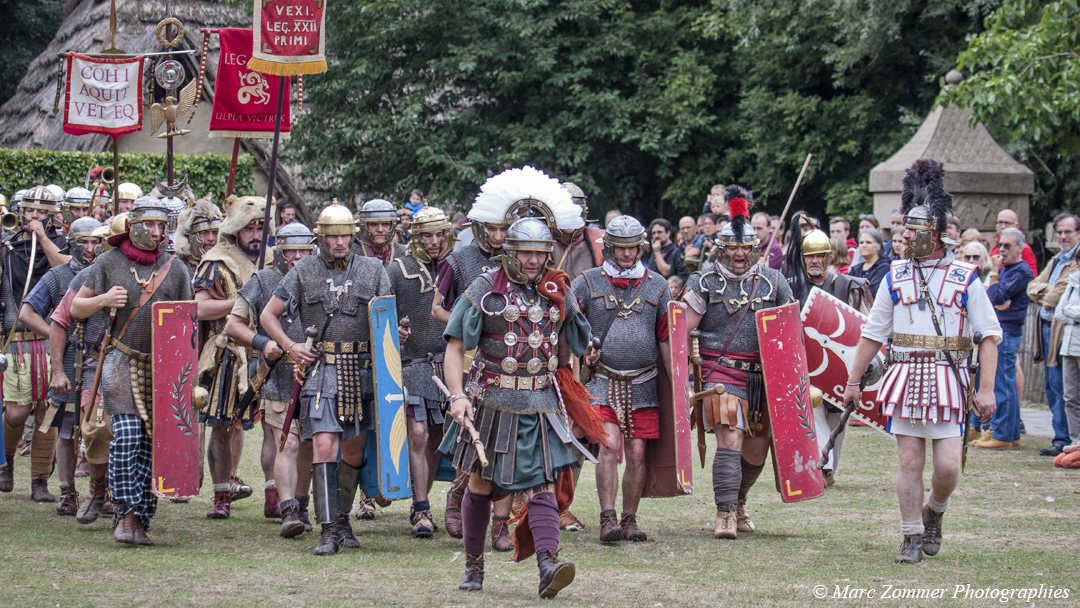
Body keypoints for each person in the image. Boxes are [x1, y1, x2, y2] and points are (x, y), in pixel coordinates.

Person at [437, 167, 594, 596]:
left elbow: (576, 343)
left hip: (540, 399)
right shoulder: (487, 287)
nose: (533, 260)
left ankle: (548, 564)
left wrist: (566, 303)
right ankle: (473, 566)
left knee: (543, 481)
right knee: (483, 483)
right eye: (525, 252)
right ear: (508, 249)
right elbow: (453, 347)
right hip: (489, 399)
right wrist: (456, 396)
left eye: (540, 253)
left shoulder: (555, 287)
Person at [842, 159, 1000, 564]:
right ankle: (911, 535)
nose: (905, 237)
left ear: (935, 235)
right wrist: (854, 380)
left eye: (912, 231)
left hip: (949, 376)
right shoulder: (895, 275)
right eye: (904, 230)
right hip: (906, 375)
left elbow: (988, 336)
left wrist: (985, 389)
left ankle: (935, 511)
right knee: (909, 460)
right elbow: (873, 334)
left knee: (948, 467)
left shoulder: (966, 278)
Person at [260, 200, 392, 556]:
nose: (339, 243)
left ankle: (344, 518)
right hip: (322, 372)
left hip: (362, 371)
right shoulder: (302, 270)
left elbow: (387, 318)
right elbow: (268, 315)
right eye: (333, 236)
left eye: (345, 235)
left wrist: (398, 333)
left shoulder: (374, 269)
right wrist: (290, 346)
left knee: (352, 452)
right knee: (323, 446)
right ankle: (327, 528)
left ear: (353, 235)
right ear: (321, 237)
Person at [72, 196, 194, 545]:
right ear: (134, 225)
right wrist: (103, 301)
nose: (157, 233)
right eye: (150, 225)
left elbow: (187, 322)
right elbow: (77, 307)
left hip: (162, 367)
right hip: (120, 362)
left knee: (150, 444)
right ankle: (123, 513)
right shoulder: (108, 262)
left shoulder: (176, 268)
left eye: (162, 226)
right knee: (125, 436)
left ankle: (142, 517)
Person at [683, 185, 792, 539]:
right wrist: (686, 375)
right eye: (733, 247)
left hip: (762, 378)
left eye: (746, 247)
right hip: (720, 374)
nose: (740, 253)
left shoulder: (774, 282)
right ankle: (724, 513)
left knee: (756, 452)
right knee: (730, 437)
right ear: (722, 248)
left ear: (755, 249)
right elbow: (682, 331)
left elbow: (792, 330)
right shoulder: (703, 282)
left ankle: (739, 500)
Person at [572, 215, 671, 543]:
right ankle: (607, 518)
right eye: (620, 248)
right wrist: (584, 352)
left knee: (638, 452)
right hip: (603, 379)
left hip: (644, 382)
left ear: (640, 247)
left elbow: (665, 337)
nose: (627, 255)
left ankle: (630, 519)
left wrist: (677, 384)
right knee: (609, 447)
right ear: (610, 247)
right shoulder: (587, 282)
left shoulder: (657, 284)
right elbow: (571, 328)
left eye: (632, 248)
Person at [432, 180, 513, 546]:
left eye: (504, 229)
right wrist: (468, 328)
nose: (498, 236)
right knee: (468, 433)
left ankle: (502, 520)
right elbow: (436, 308)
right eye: (492, 229)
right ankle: (456, 496)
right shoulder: (458, 261)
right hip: (466, 359)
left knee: (506, 440)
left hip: (506, 362)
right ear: (480, 228)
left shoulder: (519, 262)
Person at [225, 222, 317, 537]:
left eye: (303, 249)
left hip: (317, 376)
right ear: (279, 251)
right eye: (290, 250)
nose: (297, 256)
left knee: (307, 446)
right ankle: (287, 508)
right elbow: (233, 325)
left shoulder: (319, 278)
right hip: (279, 375)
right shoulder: (262, 281)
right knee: (287, 442)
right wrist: (264, 343)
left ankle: (302, 505)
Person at [20, 217, 103, 515]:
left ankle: (99, 492)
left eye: (95, 242)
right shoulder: (57, 277)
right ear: (71, 243)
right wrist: (58, 334)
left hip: (101, 362)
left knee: (99, 430)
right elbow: (27, 312)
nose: (90, 249)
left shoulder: (108, 273)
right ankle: (68, 493)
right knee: (66, 431)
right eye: (83, 242)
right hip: (69, 362)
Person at [194, 195, 267, 519]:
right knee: (223, 426)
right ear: (236, 229)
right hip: (227, 353)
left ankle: (275, 495)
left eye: (261, 227)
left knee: (275, 429)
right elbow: (200, 308)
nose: (255, 234)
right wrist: (240, 303)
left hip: (267, 351)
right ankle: (221, 494)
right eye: (249, 227)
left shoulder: (270, 261)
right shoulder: (216, 261)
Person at [386, 206, 455, 538]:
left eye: (439, 234)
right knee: (418, 433)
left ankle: (443, 506)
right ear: (415, 237)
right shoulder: (398, 270)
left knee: (443, 439)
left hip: (452, 364)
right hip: (414, 365)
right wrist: (394, 330)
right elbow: (382, 313)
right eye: (427, 235)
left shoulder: (456, 267)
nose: (434, 241)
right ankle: (421, 508)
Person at [0, 186, 70, 502]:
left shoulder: (59, 243)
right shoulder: (8, 246)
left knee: (48, 411)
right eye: (30, 210)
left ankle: (40, 481)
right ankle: (7, 462)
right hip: (16, 340)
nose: (34, 216)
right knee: (16, 413)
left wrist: (41, 236)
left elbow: (62, 270)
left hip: (50, 340)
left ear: (52, 215)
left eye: (41, 211)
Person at [785, 227, 870, 485]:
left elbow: (866, 326)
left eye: (820, 256)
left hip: (842, 364)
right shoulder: (790, 287)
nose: (814, 261)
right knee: (814, 405)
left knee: (838, 416)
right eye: (809, 256)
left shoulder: (848, 286)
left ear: (829, 257)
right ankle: (823, 465)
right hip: (807, 366)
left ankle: (829, 468)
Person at [49, 222, 117, 524]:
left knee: (131, 435)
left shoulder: (158, 271)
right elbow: (61, 320)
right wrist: (56, 370)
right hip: (97, 366)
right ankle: (97, 491)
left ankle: (124, 498)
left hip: (139, 367)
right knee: (97, 430)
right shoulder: (90, 275)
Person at [975, 228, 1033, 450]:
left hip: (1008, 332)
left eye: (1007, 246)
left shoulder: (1020, 271)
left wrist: (996, 274)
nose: (1002, 250)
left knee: (1003, 385)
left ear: (1020, 248)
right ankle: (1010, 434)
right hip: (1003, 329)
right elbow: (987, 298)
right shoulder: (1011, 269)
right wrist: (994, 295)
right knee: (1003, 382)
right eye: (1000, 245)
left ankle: (1003, 435)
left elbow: (995, 296)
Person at [1028, 213, 1080, 457]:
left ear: (1078, 233)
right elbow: (1033, 287)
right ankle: (1061, 437)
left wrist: (1047, 291)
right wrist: (1048, 290)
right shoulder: (1057, 259)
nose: (1063, 236)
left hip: (1064, 330)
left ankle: (1068, 439)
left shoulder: (1076, 261)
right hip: (1047, 329)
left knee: (1064, 387)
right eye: (1059, 232)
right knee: (1053, 386)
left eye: (1068, 231)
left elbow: (1051, 300)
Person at [1055, 269, 1080, 453]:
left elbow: (1066, 310)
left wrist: (1068, 311)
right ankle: (1075, 442)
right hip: (1069, 344)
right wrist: (1071, 312)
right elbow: (1059, 313)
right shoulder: (1073, 280)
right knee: (1070, 397)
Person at [173, 198, 222, 273]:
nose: (211, 238)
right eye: (204, 233)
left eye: (215, 233)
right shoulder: (178, 268)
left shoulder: (229, 266)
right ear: (190, 236)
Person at [354, 199, 408, 264]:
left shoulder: (405, 253)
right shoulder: (352, 254)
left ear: (392, 226)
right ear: (364, 226)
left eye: (385, 224)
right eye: (373, 224)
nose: (380, 230)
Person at [991, 210, 1037, 276]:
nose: (1003, 226)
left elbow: (1032, 278)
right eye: (1000, 223)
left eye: (1007, 223)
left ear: (1017, 226)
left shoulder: (1023, 248)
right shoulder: (997, 245)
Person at [645, 219, 687, 283]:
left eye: (659, 232)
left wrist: (657, 252)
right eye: (654, 233)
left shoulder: (673, 250)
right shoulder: (656, 249)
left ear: (668, 233)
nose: (656, 235)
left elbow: (666, 272)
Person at [849, 228, 889, 295]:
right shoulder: (855, 269)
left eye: (868, 242)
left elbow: (872, 291)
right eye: (861, 243)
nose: (864, 245)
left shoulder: (884, 267)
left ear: (878, 246)